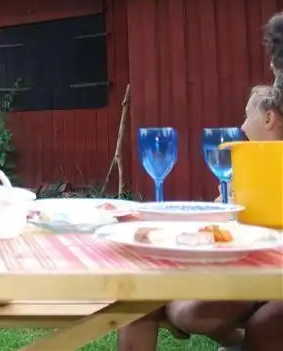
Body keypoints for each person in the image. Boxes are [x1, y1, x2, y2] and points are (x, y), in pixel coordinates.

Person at [117, 84, 283, 351]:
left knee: (177, 307)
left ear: (269, 118)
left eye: (246, 115)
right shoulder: (247, 163)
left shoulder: (260, 164)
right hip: (246, 267)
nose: (241, 125)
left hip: (265, 276)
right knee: (144, 299)